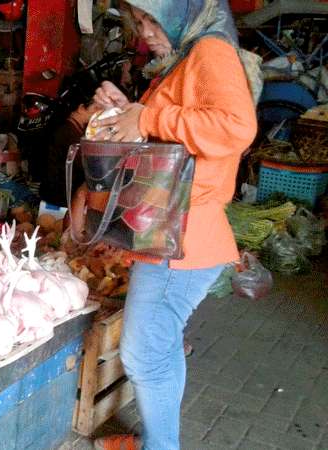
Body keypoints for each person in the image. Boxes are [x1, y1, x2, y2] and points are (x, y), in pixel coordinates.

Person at [82, 1, 257, 449]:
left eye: (153, 20)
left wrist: (148, 116)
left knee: (143, 353)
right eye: (140, 21)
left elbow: (236, 127)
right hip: (174, 231)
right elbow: (174, 134)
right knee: (159, 347)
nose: (145, 33)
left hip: (182, 238)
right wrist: (130, 112)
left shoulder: (210, 51)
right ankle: (162, 440)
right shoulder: (187, 57)